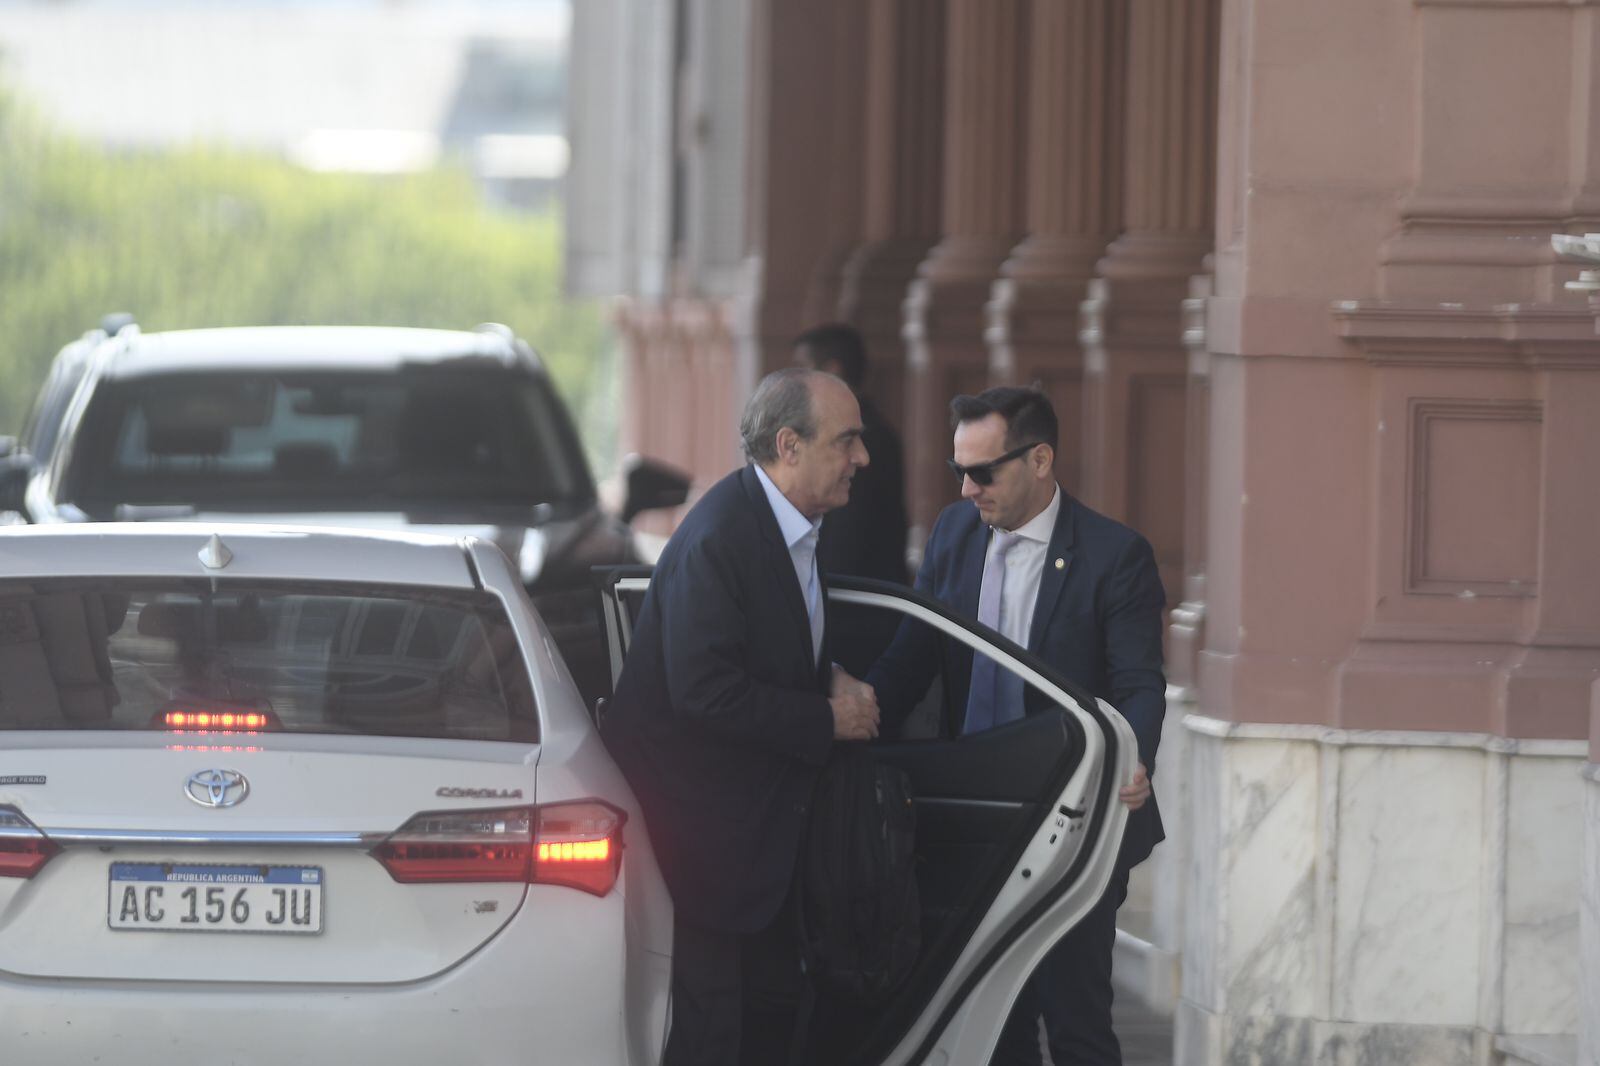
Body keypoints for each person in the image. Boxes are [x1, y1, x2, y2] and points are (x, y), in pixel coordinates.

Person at [865, 386, 1166, 1066]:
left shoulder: (1114, 555)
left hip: (1075, 819)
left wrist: (1132, 758)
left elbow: (1139, 683)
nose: (968, 489)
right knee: (992, 1020)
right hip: (979, 817)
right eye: (958, 472)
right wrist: (854, 715)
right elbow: (912, 654)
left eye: (983, 472)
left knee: (1075, 1015)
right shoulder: (953, 533)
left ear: (1039, 459)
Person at [599, 367, 882, 1066]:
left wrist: (829, 677)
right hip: (705, 848)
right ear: (789, 445)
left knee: (764, 1028)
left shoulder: (794, 525)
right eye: (846, 441)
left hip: (757, 847)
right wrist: (828, 718)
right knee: (713, 1038)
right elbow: (706, 693)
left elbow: (766, 653)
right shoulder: (720, 538)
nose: (863, 459)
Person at [794, 324, 909, 678]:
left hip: (858, 621)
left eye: (803, 370)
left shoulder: (864, 443)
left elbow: (844, 545)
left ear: (831, 372)